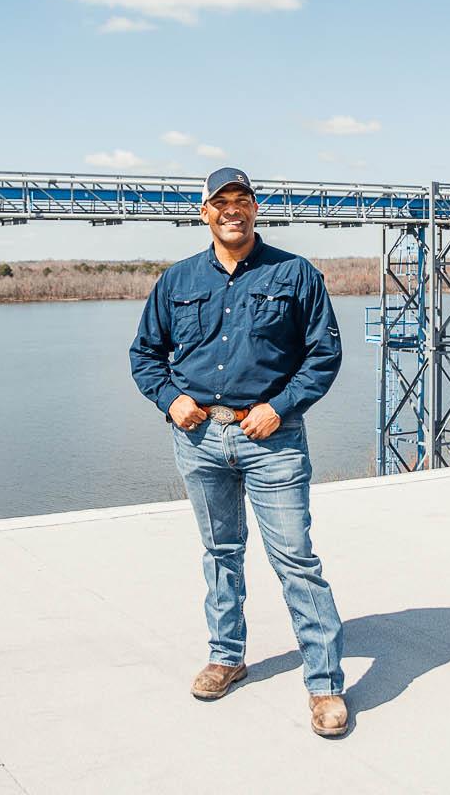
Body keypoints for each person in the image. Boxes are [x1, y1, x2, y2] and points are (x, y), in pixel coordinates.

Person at [129, 166, 348, 737]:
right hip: (199, 437)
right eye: (220, 202)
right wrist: (168, 399)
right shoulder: (176, 281)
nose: (232, 210)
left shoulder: (295, 274)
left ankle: (324, 686)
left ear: (255, 210)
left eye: (242, 200)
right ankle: (227, 657)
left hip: (272, 437)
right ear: (204, 212)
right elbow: (145, 354)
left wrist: (281, 406)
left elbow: (322, 356)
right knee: (220, 551)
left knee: (296, 561)